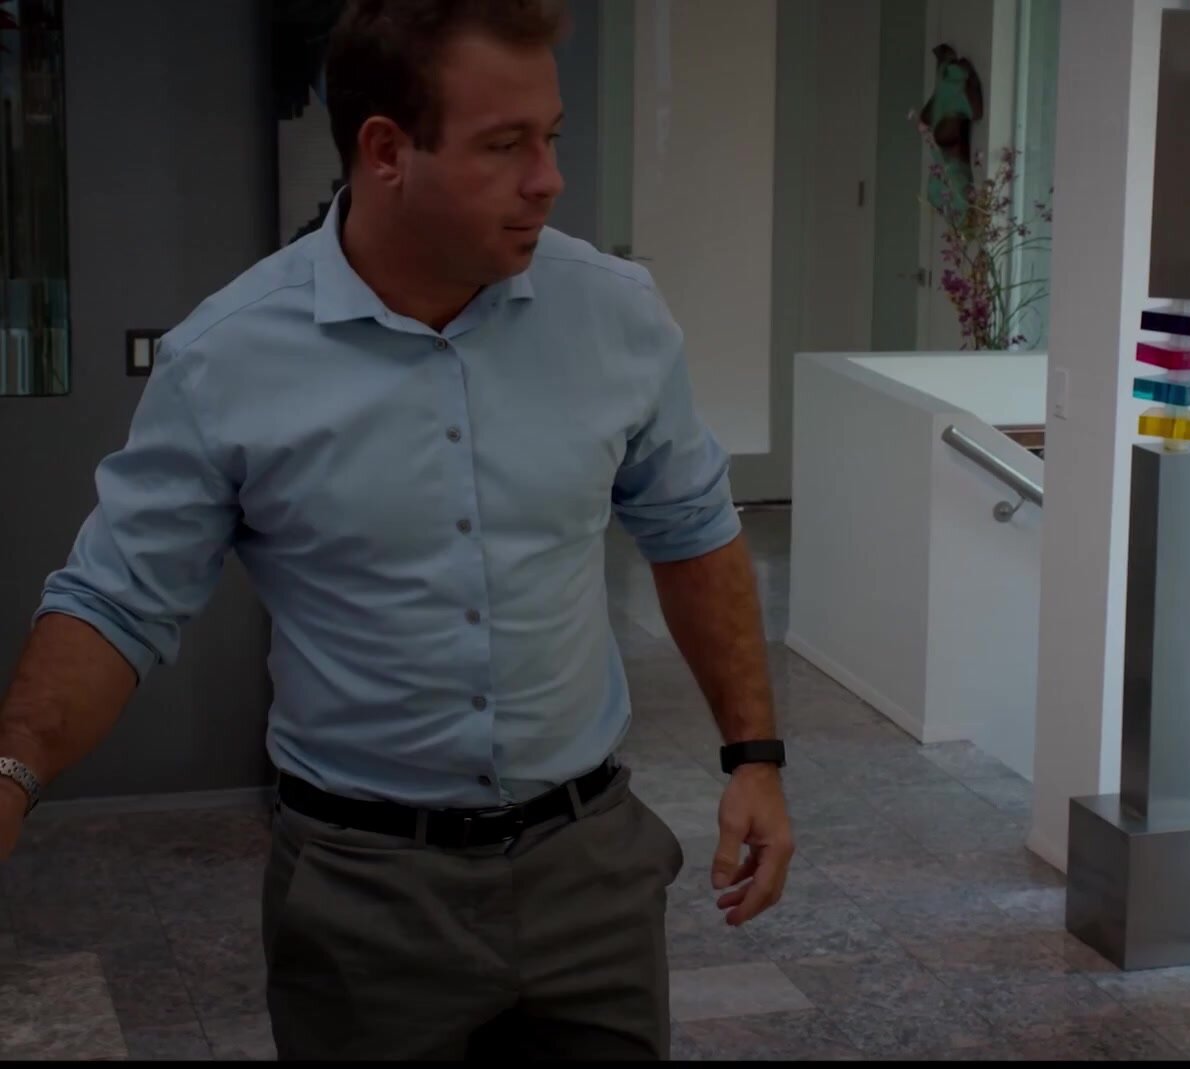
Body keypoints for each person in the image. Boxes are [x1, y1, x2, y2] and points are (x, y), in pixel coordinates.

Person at [0, 0, 794, 1059]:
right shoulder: (229, 357)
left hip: (590, 873)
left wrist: (754, 756)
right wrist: (12, 776)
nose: (549, 179)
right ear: (385, 151)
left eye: (551, 137)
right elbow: (115, 600)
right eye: (505, 146)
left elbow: (693, 529)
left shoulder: (617, 315)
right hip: (363, 896)